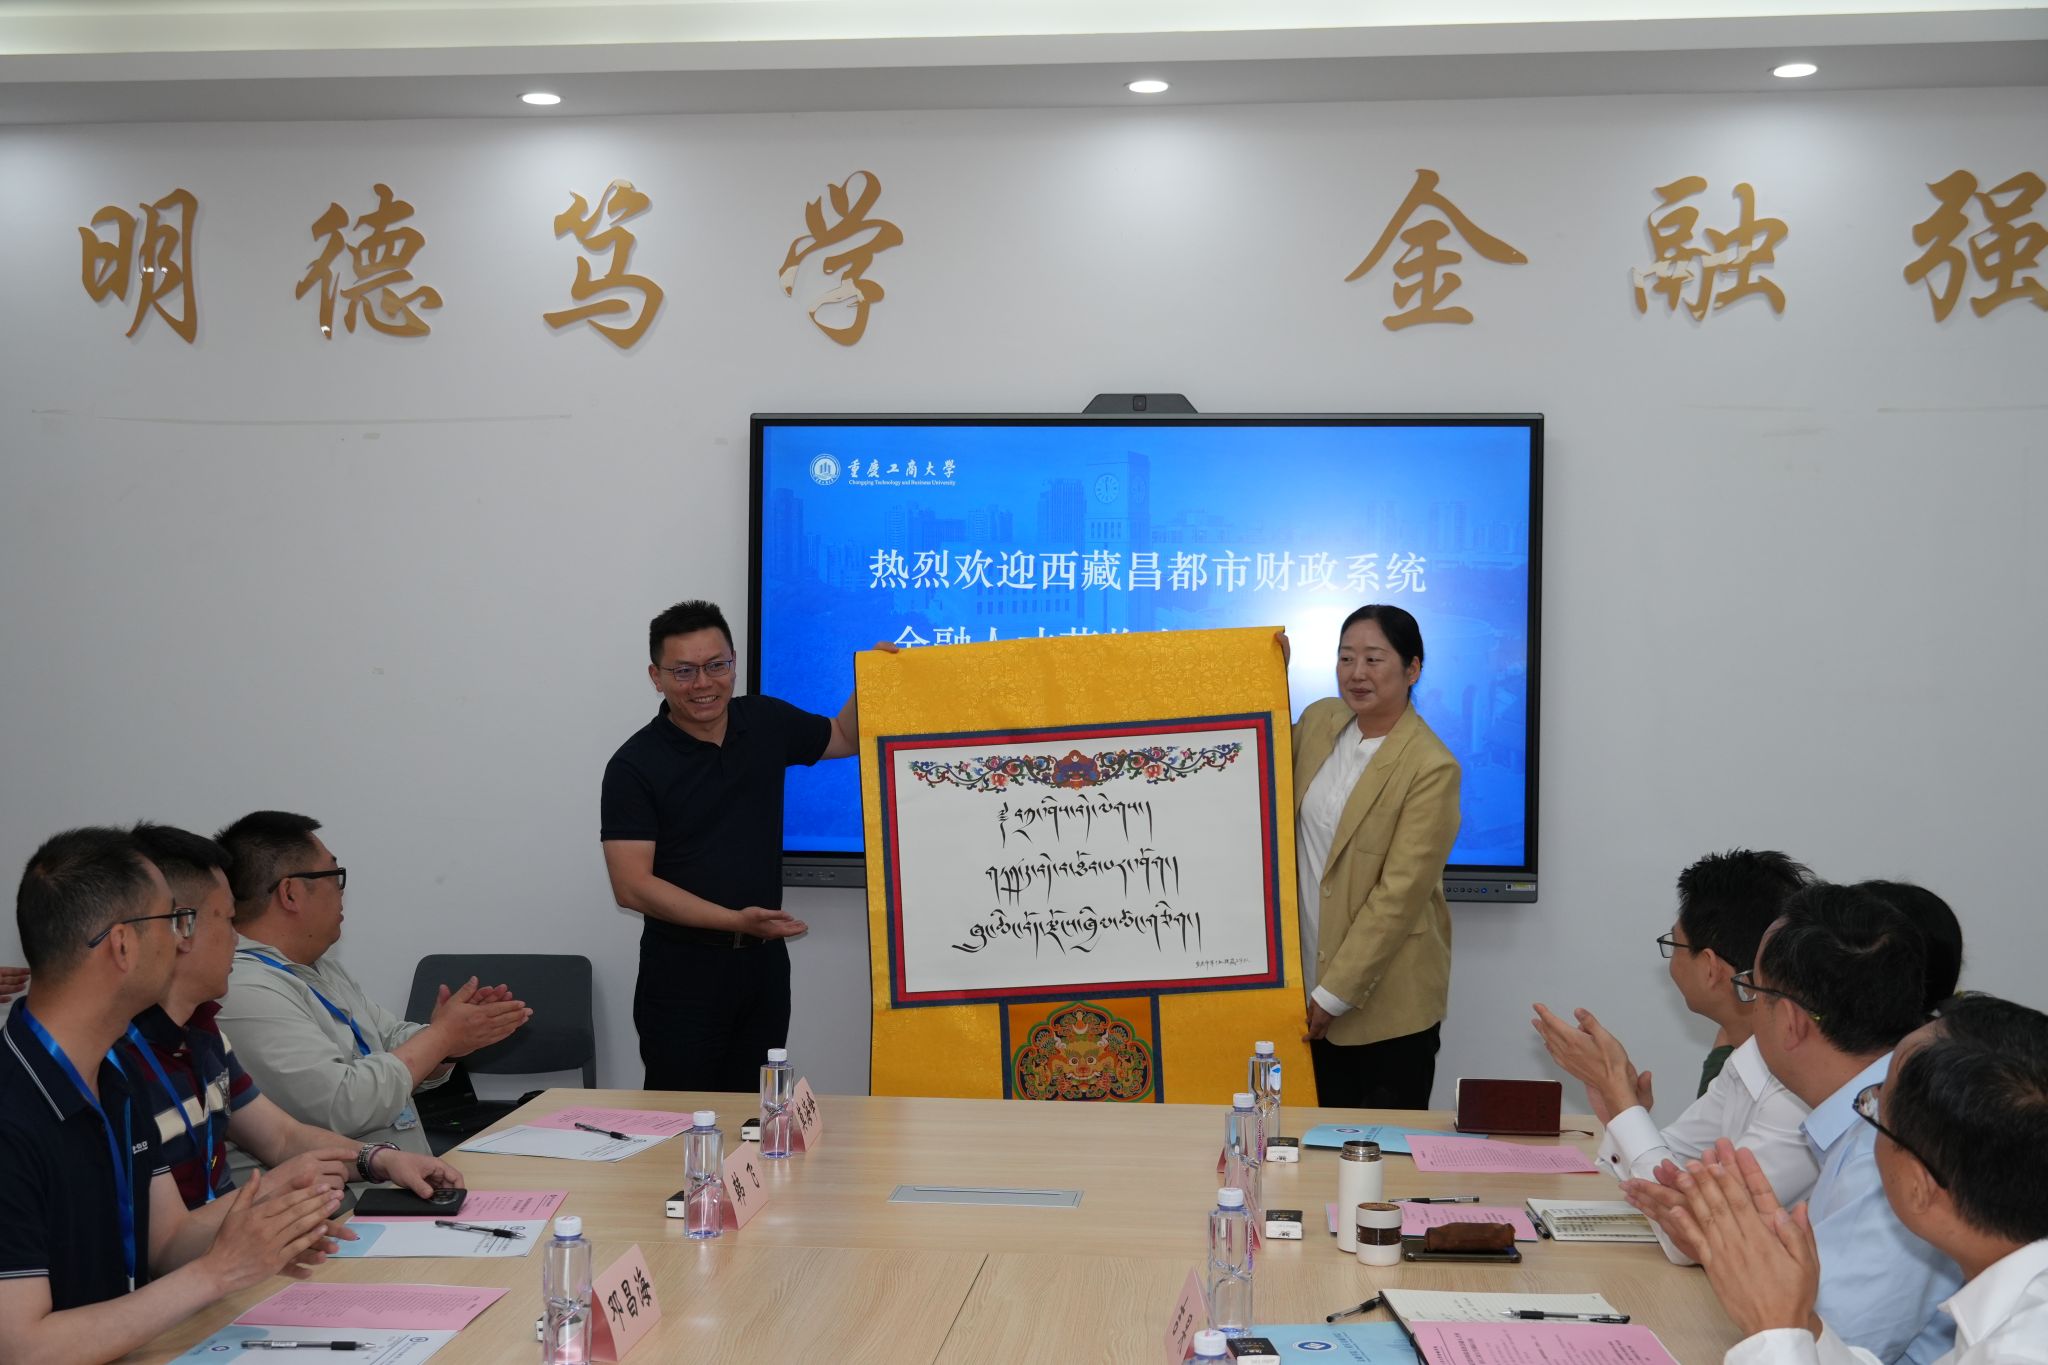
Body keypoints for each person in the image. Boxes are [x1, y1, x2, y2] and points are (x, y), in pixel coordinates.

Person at [0, 828, 341, 1363]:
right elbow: (22, 1347)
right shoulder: (13, 1111)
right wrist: (218, 1272)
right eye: (174, 921)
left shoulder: (110, 1077)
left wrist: (262, 1233)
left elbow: (164, 1242)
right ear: (122, 945)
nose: (184, 939)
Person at [1624, 885, 1963, 1364]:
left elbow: (1813, 1345)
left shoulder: (1889, 1151)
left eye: (1753, 990)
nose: (1747, 1008)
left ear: (1789, 1020)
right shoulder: (1862, 1118)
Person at [1655, 993, 2048, 1364]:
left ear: (1921, 1184)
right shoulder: (2017, 1310)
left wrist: (1773, 1329)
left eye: (1875, 1109)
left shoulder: (2017, 1353)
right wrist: (1799, 1321)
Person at [601, 599, 879, 1092]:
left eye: (716, 666)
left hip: (762, 967)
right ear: (656, 677)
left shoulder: (764, 721)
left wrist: (874, 677)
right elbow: (632, 886)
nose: (703, 683)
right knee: (681, 1116)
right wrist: (735, 920)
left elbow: (842, 736)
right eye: (684, 671)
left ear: (734, 663)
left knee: (757, 1111)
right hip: (681, 972)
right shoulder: (634, 765)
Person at [125, 822, 465, 1206]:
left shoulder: (203, 1033)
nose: (237, 938)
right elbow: (170, 1236)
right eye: (225, 919)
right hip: (262, 1229)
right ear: (178, 929)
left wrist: (379, 1159)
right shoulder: (120, 1061)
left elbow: (282, 1137)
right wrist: (443, 1036)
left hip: (260, 1228)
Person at [215, 811, 531, 1164]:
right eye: (335, 876)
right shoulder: (243, 990)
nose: (341, 892)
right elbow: (341, 1104)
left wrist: (451, 1044)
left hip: (393, 1178)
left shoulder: (319, 968)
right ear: (290, 893)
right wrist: (442, 1036)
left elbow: (389, 1040)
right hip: (335, 1192)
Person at [1533, 849, 1819, 1209]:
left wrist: (1616, 1089)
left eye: (1674, 945)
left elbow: (1703, 1218)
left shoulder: (1802, 1090)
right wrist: (1620, 1107)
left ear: (1710, 966)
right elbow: (1671, 1172)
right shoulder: (1745, 1061)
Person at [1292, 603, 1461, 1110]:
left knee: (1380, 1152)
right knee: (1300, 1143)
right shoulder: (1320, 720)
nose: (1356, 673)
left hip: (1385, 1008)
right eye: (1346, 658)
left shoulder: (1432, 767)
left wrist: (1333, 994)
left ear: (1412, 669)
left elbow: (1398, 896)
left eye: (1373, 659)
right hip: (1300, 987)